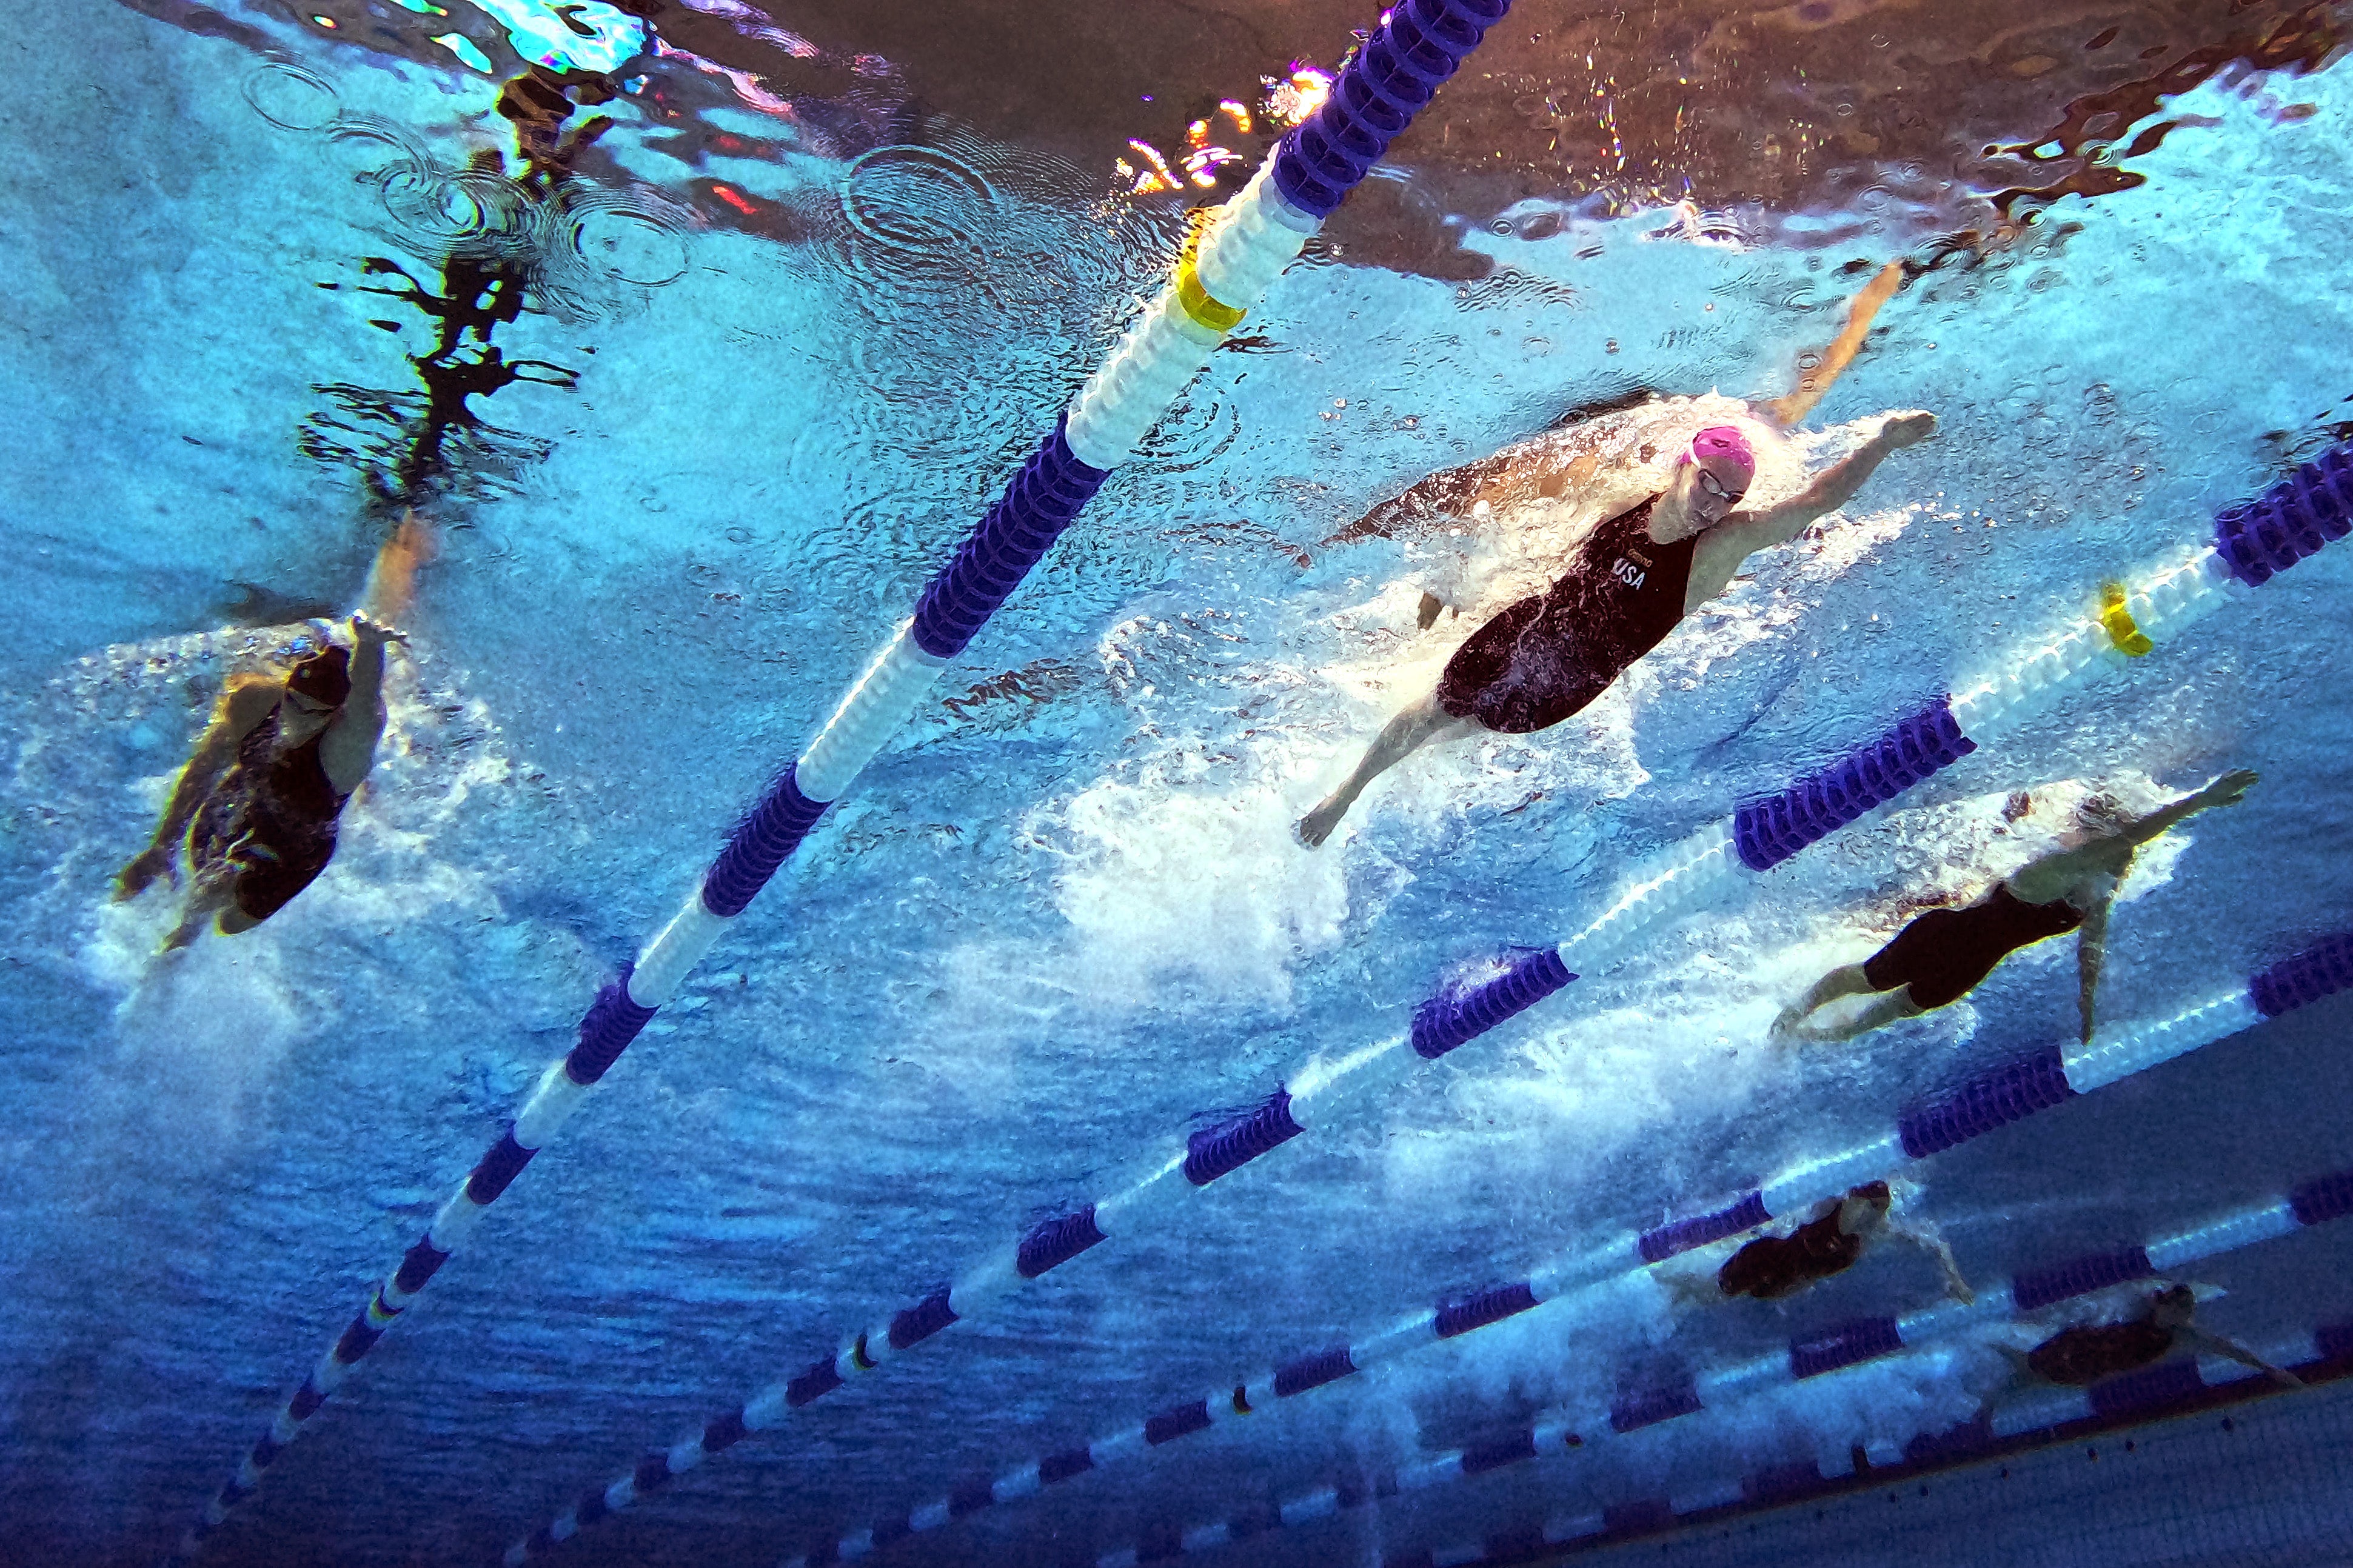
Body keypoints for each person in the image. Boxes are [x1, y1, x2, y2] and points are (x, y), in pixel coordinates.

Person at [1295, 409, 1939, 846]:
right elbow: (1527, 533)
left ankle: (1394, 763)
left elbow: (1814, 503)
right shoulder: (1624, 496)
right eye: (1707, 484)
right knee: (1434, 707)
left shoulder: (1718, 550)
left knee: (1464, 726)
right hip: (1525, 628)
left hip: (1566, 685)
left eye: (1727, 497)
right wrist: (1449, 586)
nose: (1712, 504)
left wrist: (1881, 444)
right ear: (1681, 467)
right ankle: (1346, 791)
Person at [115, 514, 433, 947]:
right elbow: (205, 766)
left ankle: (413, 543)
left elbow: (364, 701)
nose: (294, 717)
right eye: (292, 702)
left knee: (229, 923)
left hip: (297, 845)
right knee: (203, 863)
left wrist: (372, 648)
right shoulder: (259, 701)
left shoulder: (343, 744)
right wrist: (161, 845)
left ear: (331, 717)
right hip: (248, 796)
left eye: (309, 712)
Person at [1773, 769, 2258, 1044]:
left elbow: (2093, 942)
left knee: (1885, 1015)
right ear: (2100, 839)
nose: (2129, 858)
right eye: (2122, 850)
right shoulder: (2056, 866)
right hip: (1944, 936)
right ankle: (1795, 1012)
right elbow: (2132, 835)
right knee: (1866, 978)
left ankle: (1821, 1037)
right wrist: (2200, 800)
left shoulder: (2094, 890)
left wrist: (2085, 1006)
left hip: (1972, 965)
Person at [1714, 1182, 1973, 1304]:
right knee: (1719, 1287)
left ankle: (1690, 1281)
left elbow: (1935, 1246)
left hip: (1789, 1268)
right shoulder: (1832, 1213)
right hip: (1777, 1257)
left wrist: (1955, 1279)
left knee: (1719, 1290)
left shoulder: (1880, 1231)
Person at [2016, 1283, 2301, 1391]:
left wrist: (2270, 1369)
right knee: (2035, 1365)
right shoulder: (2142, 1305)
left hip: (2101, 1362)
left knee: (2043, 1374)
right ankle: (2015, 1365)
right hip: (2089, 1345)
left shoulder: (2182, 1333)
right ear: (2163, 1305)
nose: (2180, 1320)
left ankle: (2017, 1369)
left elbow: (2225, 1347)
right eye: (2177, 1312)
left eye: (2183, 1315)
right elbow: (2102, 1308)